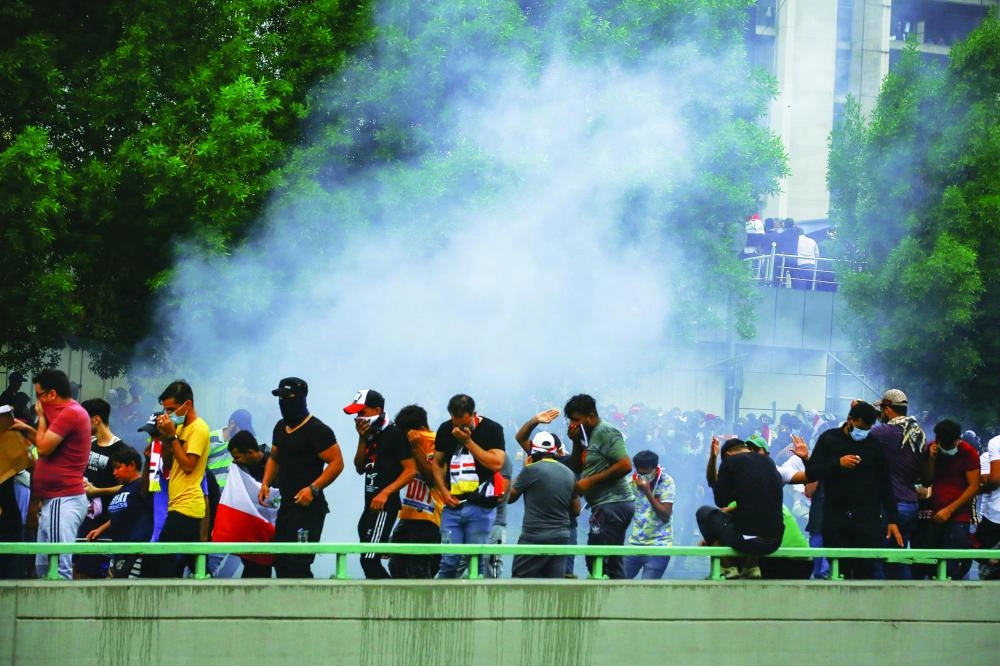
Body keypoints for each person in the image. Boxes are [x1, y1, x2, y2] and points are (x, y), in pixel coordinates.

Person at [804, 401, 902, 579]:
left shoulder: (874, 446)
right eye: (860, 427)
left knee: (865, 568)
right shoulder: (829, 439)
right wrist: (837, 464)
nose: (863, 432)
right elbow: (812, 472)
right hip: (835, 514)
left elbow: (885, 483)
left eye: (868, 428)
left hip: (867, 517)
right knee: (839, 567)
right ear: (850, 420)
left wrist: (892, 518)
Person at [10, 369, 91, 579]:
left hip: (62, 499)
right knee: (43, 565)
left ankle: (60, 611)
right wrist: (26, 428)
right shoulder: (66, 413)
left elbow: (44, 448)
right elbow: (46, 442)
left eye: (39, 395)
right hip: (53, 501)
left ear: (52, 394)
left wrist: (41, 418)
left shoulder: (70, 413)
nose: (38, 401)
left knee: (57, 567)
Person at [259, 377, 344, 578]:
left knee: (298, 563)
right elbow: (275, 458)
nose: (284, 402)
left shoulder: (317, 430)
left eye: (289, 397)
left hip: (308, 509)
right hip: (287, 506)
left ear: (301, 398)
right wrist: (265, 483)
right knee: (280, 561)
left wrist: (313, 489)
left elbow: (337, 463)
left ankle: (307, 608)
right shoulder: (280, 427)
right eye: (280, 398)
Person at [429, 394, 506, 579]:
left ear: (474, 414)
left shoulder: (492, 429)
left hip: (481, 507)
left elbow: (496, 463)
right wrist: (443, 491)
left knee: (477, 559)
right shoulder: (445, 429)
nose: (459, 429)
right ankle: (442, 603)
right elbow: (437, 463)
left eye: (464, 424)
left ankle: (475, 604)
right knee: (449, 560)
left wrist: (468, 442)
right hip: (452, 506)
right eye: (455, 423)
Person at [344, 389, 413, 579]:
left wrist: (385, 493)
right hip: (369, 505)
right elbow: (359, 467)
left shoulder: (395, 433)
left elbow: (410, 469)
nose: (359, 418)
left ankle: (391, 599)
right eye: (357, 414)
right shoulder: (371, 435)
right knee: (366, 558)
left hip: (385, 506)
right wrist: (362, 438)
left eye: (362, 412)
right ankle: (382, 599)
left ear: (378, 410)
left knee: (369, 559)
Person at [564, 394, 634, 579]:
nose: (573, 424)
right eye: (570, 420)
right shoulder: (588, 436)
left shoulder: (606, 432)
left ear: (590, 416)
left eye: (576, 420)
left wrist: (590, 481)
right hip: (603, 505)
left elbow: (625, 465)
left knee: (600, 559)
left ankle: (615, 600)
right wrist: (575, 442)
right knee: (605, 559)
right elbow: (578, 466)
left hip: (614, 502)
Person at [145, 380, 211, 577]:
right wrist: (166, 436)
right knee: (193, 560)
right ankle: (208, 585)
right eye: (165, 410)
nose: (168, 414)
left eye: (172, 409)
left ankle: (166, 600)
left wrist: (173, 437)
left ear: (187, 405)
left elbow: (189, 466)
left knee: (162, 556)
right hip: (177, 502)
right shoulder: (179, 428)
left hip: (187, 503)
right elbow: (169, 464)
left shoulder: (199, 428)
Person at [696, 438, 784, 578]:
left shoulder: (730, 462)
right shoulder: (768, 462)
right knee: (754, 519)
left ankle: (727, 567)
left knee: (704, 513)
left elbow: (721, 501)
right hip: (775, 541)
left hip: (748, 541)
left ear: (728, 455)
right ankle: (751, 567)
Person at [912, 419, 980, 580]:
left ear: (958, 440)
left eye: (951, 445)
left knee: (952, 563)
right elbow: (927, 480)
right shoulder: (932, 449)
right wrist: (932, 459)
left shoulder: (968, 453)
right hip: (934, 514)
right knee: (928, 562)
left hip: (958, 515)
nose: (947, 448)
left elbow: (974, 486)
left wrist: (949, 510)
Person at [868, 389, 925, 578]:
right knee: (898, 559)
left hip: (892, 506)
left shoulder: (883, 433)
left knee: (880, 560)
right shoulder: (916, 432)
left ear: (888, 409)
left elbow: (858, 434)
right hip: (911, 503)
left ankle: (880, 604)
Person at [508, 430, 579, 578]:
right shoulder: (569, 473)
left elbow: (509, 497)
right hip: (561, 536)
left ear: (533, 451)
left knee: (520, 580)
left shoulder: (531, 471)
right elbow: (577, 509)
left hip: (534, 536)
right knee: (554, 584)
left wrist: (524, 470)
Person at [74, 398, 130, 578]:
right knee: (78, 567)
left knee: (97, 573)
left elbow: (128, 487)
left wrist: (96, 491)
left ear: (96, 419)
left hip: (105, 523)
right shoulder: (87, 444)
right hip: (83, 519)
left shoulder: (120, 449)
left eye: (84, 419)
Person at [389, 405, 443, 579]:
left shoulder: (437, 442)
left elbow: (432, 478)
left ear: (419, 429)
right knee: (396, 565)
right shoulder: (408, 444)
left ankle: (423, 606)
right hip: (407, 514)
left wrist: (416, 447)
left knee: (419, 570)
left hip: (430, 516)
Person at [85, 447, 153, 578]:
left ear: (132, 465)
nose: (114, 473)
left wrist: (148, 460)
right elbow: (124, 513)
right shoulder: (124, 489)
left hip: (136, 553)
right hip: (119, 552)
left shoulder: (142, 487)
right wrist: (101, 528)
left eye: (118, 467)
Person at [227, 430, 275, 578]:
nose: (235, 461)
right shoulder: (240, 469)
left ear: (250, 453)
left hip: (271, 531)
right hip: (250, 532)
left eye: (237, 457)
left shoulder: (273, 465)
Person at [624, 450, 675, 579]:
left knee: (647, 588)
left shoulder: (666, 482)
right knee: (619, 582)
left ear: (654, 468)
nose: (642, 476)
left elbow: (665, 515)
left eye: (645, 473)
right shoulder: (630, 482)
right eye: (639, 472)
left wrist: (647, 492)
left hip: (659, 545)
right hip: (635, 543)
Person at [207, 409, 255, 491]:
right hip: (211, 495)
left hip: (228, 498)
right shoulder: (211, 438)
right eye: (242, 430)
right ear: (232, 424)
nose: (243, 435)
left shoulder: (242, 445)